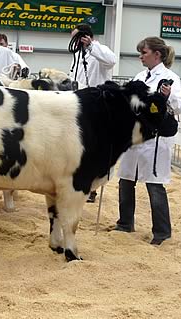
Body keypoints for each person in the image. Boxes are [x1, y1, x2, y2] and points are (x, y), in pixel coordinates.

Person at [111, 36, 181, 245]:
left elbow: (179, 107)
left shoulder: (170, 78)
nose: (140, 57)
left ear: (157, 54)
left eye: (143, 53)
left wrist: (168, 95)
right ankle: (125, 223)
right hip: (134, 136)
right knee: (126, 179)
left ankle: (161, 232)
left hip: (154, 139)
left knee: (154, 184)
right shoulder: (141, 75)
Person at [68, 23, 117, 203]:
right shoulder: (77, 55)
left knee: (95, 150)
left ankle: (93, 188)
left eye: (76, 38)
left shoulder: (99, 51)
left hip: (98, 107)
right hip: (79, 106)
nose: (74, 42)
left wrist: (91, 47)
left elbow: (111, 61)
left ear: (86, 37)